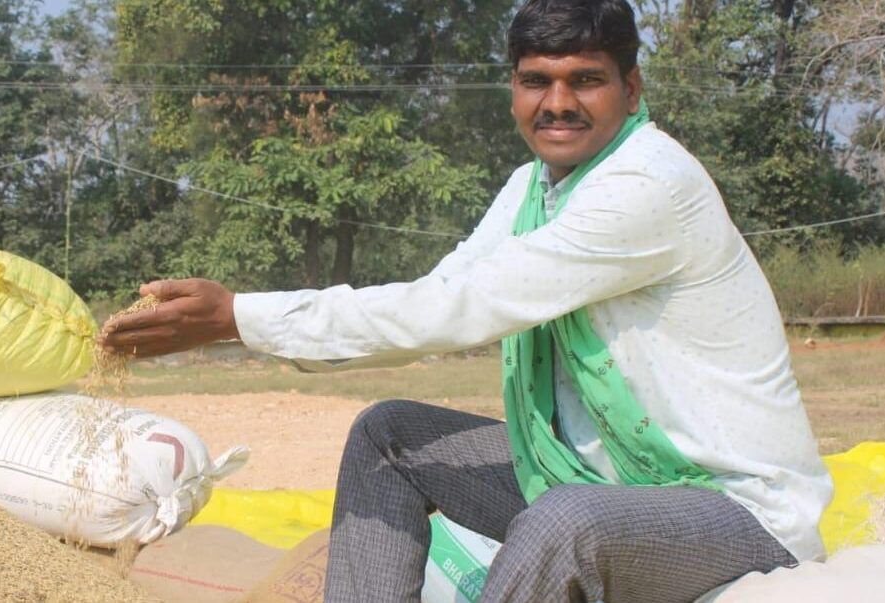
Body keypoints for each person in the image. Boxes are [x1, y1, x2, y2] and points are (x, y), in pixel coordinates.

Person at [99, 0, 833, 600]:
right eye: (536, 80)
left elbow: (458, 311)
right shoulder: (531, 189)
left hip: (733, 511)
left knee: (564, 520)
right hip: (601, 479)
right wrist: (244, 320)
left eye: (587, 80)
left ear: (632, 91)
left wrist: (240, 317)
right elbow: (439, 291)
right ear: (512, 87)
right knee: (389, 437)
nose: (558, 104)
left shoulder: (646, 187)